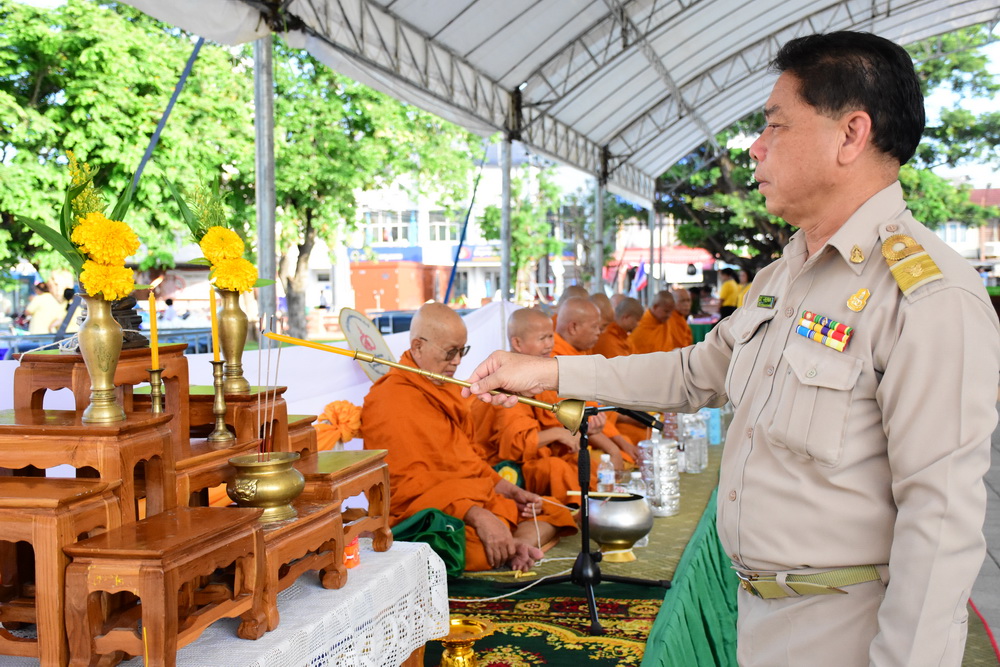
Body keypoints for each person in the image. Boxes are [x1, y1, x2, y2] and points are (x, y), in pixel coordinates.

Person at [463, 31, 999, 666]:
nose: (755, 146)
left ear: (851, 135)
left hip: (847, 629)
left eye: (775, 124)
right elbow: (694, 372)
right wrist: (548, 370)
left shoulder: (925, 297)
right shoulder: (783, 277)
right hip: (761, 616)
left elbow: (940, 518)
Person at [361, 302, 576, 572]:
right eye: (450, 352)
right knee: (466, 547)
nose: (457, 361)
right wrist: (474, 513)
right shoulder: (389, 400)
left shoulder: (444, 389)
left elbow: (470, 462)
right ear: (417, 346)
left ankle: (515, 544)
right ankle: (512, 544)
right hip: (429, 512)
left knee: (550, 508)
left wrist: (509, 490)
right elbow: (405, 489)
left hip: (469, 496)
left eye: (462, 350)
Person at [470, 308, 585, 504]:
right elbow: (514, 447)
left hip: (535, 456)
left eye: (550, 336)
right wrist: (557, 433)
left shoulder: (536, 375)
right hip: (503, 467)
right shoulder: (504, 380)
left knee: (582, 461)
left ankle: (585, 506)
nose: (549, 344)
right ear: (517, 343)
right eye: (542, 338)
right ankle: (574, 511)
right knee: (556, 469)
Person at [553, 297, 638, 467]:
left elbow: (593, 408)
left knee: (634, 443)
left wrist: (619, 443)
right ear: (573, 327)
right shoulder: (555, 361)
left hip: (594, 429)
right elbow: (574, 417)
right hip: (563, 445)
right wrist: (614, 448)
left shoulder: (579, 353)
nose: (599, 333)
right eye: (595, 327)